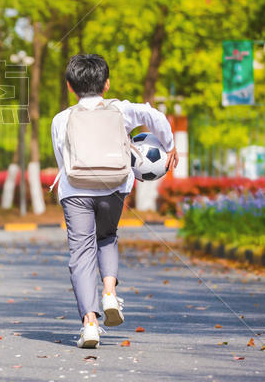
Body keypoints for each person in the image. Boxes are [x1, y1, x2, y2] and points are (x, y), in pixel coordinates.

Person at [50, 54, 177, 348]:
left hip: (75, 191)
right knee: (107, 237)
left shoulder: (61, 119)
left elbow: (61, 159)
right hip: (115, 188)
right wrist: (169, 146)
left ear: (70, 86)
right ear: (106, 84)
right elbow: (154, 116)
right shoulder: (121, 109)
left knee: (81, 253)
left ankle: (90, 324)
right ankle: (109, 291)